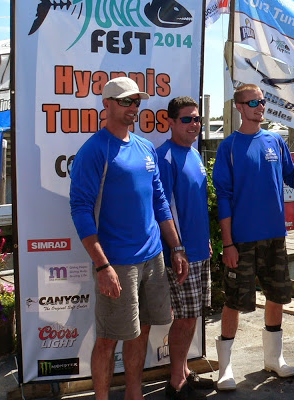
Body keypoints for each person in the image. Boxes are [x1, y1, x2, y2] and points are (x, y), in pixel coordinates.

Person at [69, 77, 189, 400]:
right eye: (125, 101)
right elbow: (80, 210)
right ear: (106, 104)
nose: (133, 107)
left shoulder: (145, 147)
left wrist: (176, 247)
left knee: (142, 331)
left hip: (153, 258)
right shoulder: (94, 150)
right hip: (118, 263)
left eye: (136, 102)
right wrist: (102, 265)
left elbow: (160, 201)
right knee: (108, 340)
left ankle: (134, 394)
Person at [212, 83, 294, 390]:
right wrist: (228, 243)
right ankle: (225, 368)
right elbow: (224, 198)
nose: (260, 107)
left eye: (262, 102)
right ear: (239, 107)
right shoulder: (228, 147)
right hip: (242, 240)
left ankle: (274, 359)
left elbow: (293, 178)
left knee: (277, 296)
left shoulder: (275, 141)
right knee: (234, 302)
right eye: (253, 103)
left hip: (275, 236)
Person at [157, 97, 214, 399]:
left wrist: (205, 239)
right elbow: (161, 208)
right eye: (187, 119)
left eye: (197, 119)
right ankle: (176, 380)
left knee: (192, 315)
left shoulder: (194, 153)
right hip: (181, 255)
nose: (194, 124)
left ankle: (184, 371)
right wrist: (177, 247)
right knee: (184, 317)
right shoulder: (164, 157)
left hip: (199, 250)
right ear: (170, 122)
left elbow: (194, 204)